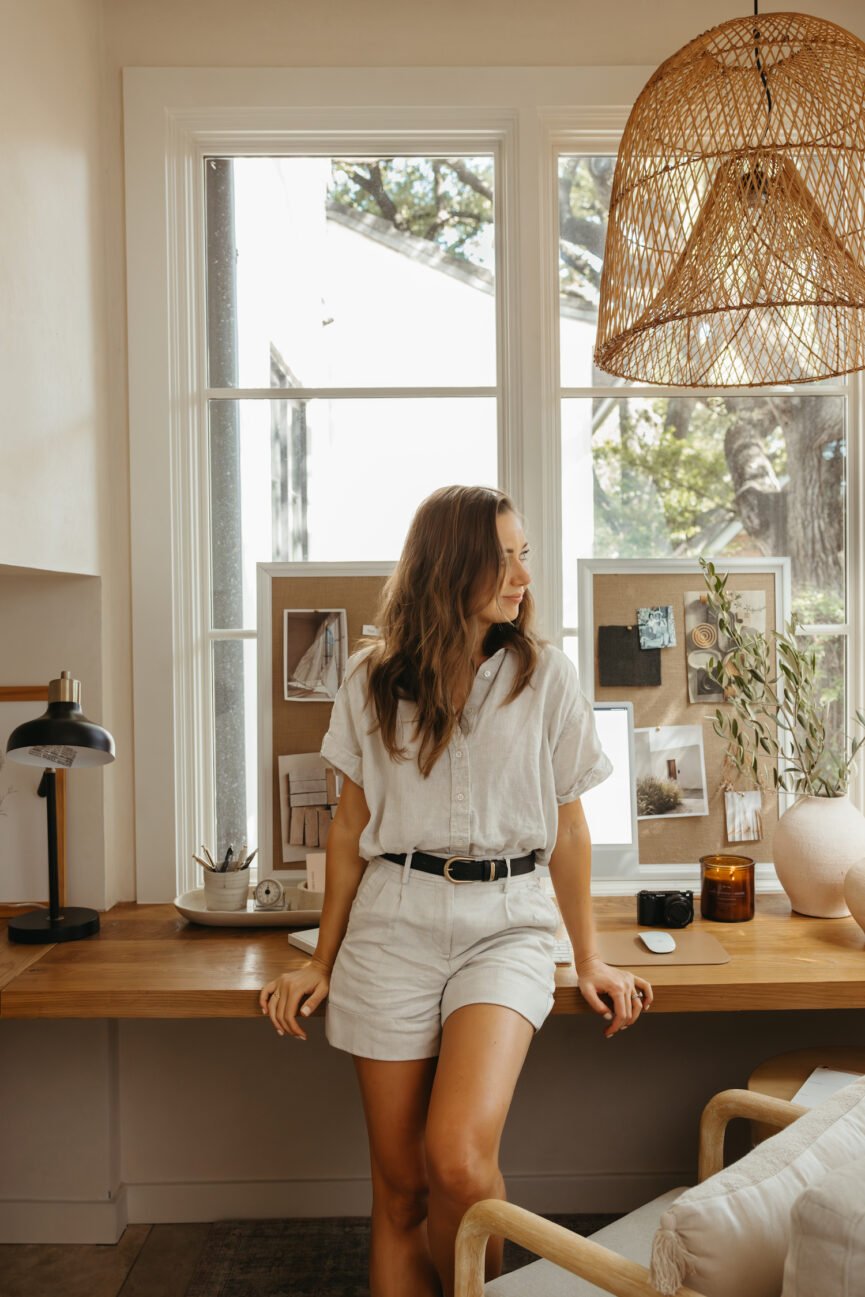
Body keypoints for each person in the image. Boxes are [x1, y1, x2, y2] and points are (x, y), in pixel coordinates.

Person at [260, 485, 654, 1297]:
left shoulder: (545, 678)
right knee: (400, 1190)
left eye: (523, 554)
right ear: (451, 565)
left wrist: (590, 957)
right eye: (501, 556)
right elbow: (348, 830)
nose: (520, 574)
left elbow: (569, 832)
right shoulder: (372, 680)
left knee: (459, 1163)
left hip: (506, 925)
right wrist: (319, 961)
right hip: (391, 925)